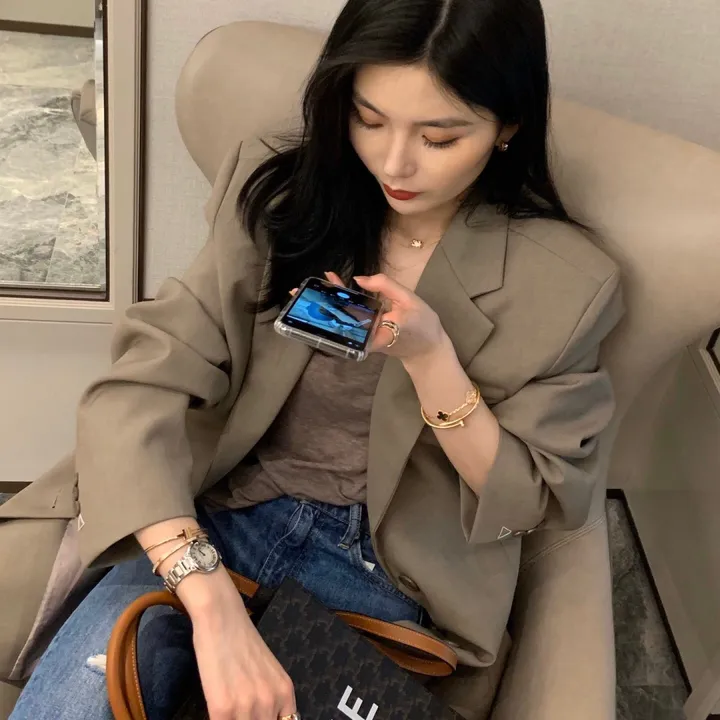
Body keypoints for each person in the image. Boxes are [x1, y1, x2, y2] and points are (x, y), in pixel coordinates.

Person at [5, 0, 624, 718]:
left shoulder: (567, 282)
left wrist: (431, 360)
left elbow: (531, 497)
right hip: (213, 521)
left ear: (507, 126)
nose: (394, 162)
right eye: (369, 119)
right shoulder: (283, 197)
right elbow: (139, 386)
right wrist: (209, 600)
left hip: (383, 576)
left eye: (439, 137)